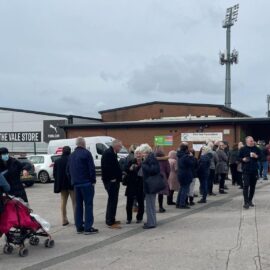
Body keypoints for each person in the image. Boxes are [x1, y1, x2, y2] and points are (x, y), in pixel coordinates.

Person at [68, 137, 98, 235]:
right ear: (83, 143)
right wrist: (93, 180)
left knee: (78, 206)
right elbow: (91, 168)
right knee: (88, 205)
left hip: (76, 185)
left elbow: (68, 171)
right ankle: (88, 228)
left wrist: (73, 180)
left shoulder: (71, 155)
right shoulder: (86, 153)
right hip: (86, 183)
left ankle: (79, 227)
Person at [101, 139, 123, 229]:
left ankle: (112, 219)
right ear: (115, 146)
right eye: (120, 146)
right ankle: (110, 222)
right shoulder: (108, 153)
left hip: (114, 180)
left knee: (114, 200)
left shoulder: (113, 152)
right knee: (112, 201)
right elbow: (106, 168)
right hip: (111, 181)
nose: (121, 148)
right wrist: (112, 179)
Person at [53, 146, 75, 226]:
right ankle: (77, 219)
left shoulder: (57, 161)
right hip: (71, 184)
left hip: (62, 185)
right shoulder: (71, 160)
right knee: (74, 202)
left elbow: (55, 174)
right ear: (69, 152)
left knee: (63, 202)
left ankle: (64, 220)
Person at [239, 136, 261, 209]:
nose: (252, 142)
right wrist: (243, 159)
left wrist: (256, 156)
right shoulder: (243, 149)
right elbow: (238, 158)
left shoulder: (256, 149)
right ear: (247, 142)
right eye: (251, 141)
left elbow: (262, 157)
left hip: (254, 170)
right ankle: (246, 202)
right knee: (246, 186)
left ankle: (250, 200)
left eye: (252, 140)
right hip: (246, 170)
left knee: (252, 186)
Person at [141, 144, 160, 229]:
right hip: (150, 184)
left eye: (143, 152)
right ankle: (152, 221)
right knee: (150, 204)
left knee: (150, 205)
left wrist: (144, 165)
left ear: (146, 152)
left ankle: (151, 223)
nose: (142, 154)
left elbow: (154, 170)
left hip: (150, 185)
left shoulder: (150, 159)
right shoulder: (151, 158)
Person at [124, 148, 144, 224]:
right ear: (135, 155)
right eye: (137, 153)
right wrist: (130, 169)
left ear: (142, 154)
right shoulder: (131, 162)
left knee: (141, 202)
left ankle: (139, 218)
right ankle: (129, 218)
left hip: (140, 185)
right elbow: (125, 170)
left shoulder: (144, 162)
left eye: (140, 153)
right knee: (129, 203)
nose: (138, 155)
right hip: (131, 185)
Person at [176, 142, 194, 209]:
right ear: (186, 149)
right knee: (185, 189)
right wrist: (191, 157)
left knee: (181, 188)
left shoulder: (179, 155)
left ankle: (178, 203)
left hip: (180, 173)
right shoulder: (186, 156)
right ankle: (182, 204)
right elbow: (191, 164)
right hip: (186, 174)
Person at [155, 149, 170, 213]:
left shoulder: (153, 160)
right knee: (160, 193)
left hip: (154, 176)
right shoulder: (165, 160)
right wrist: (166, 176)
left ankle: (151, 207)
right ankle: (160, 207)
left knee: (153, 193)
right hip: (162, 176)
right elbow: (168, 170)